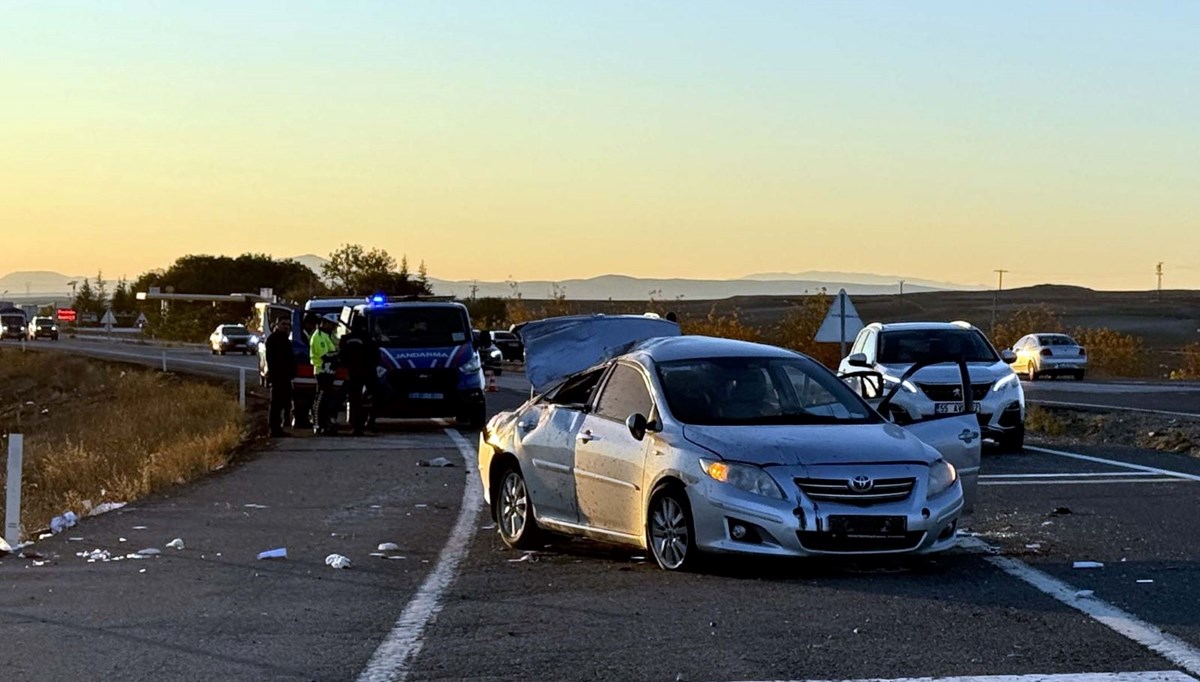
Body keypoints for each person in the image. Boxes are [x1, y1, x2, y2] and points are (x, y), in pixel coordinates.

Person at [339, 316, 380, 436]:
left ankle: (355, 425)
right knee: (374, 397)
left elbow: (342, 357)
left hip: (352, 374)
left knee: (354, 400)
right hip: (368, 372)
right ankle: (370, 422)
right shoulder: (369, 338)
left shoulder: (345, 339)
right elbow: (376, 357)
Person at [264, 318, 296, 437]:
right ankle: (274, 429)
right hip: (278, 376)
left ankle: (280, 426)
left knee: (284, 402)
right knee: (276, 403)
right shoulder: (273, 339)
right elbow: (272, 360)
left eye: (288, 324)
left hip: (286, 376)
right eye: (284, 324)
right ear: (277, 324)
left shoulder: (285, 340)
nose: (286, 326)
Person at [310, 314, 341, 435]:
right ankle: (317, 425)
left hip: (329, 372)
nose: (333, 328)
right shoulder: (318, 336)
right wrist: (338, 356)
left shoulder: (328, 335)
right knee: (321, 399)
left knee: (326, 399)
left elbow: (335, 347)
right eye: (332, 325)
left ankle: (325, 424)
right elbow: (326, 355)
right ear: (326, 323)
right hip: (322, 371)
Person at [291, 313, 320, 429]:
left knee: (306, 399)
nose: (313, 326)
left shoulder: (307, 334)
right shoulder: (302, 336)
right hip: (303, 371)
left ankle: (302, 420)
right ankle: (299, 420)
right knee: (301, 400)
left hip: (307, 372)